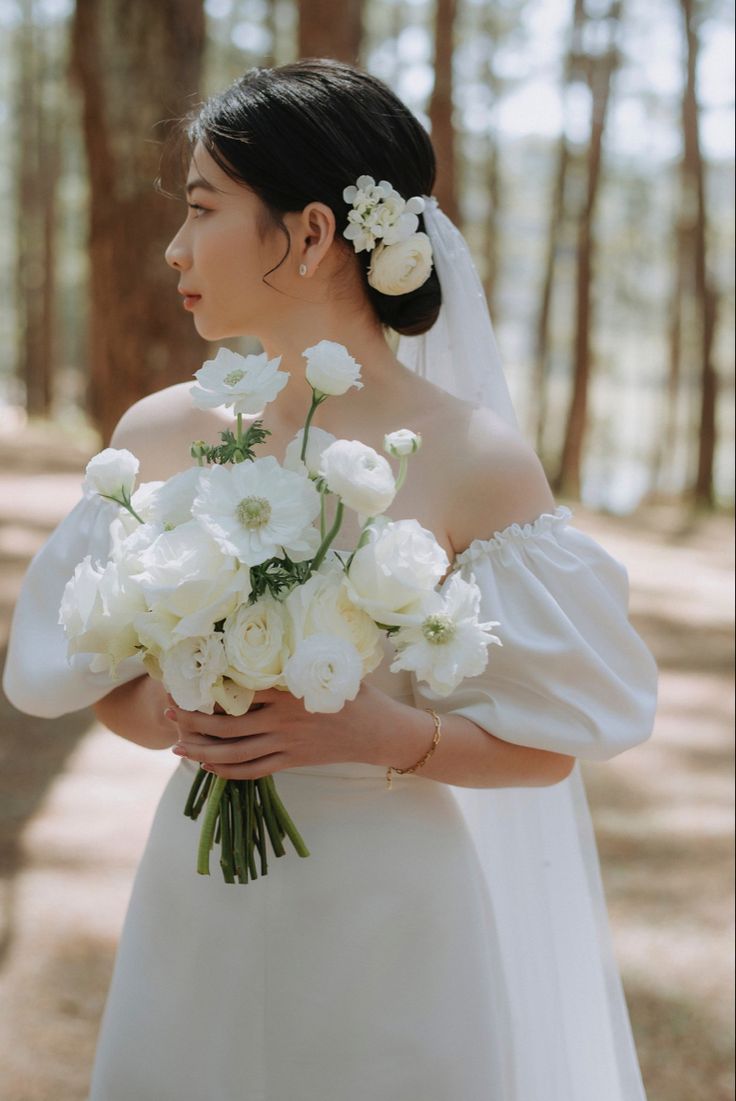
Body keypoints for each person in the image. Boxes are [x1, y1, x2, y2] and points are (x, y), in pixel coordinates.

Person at [3, 58, 658, 1101]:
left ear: (309, 235)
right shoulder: (161, 437)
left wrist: (384, 736)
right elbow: (89, 679)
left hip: (389, 915)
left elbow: (550, 751)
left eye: (202, 208)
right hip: (200, 892)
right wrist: (175, 707)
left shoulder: (470, 458)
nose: (175, 248)